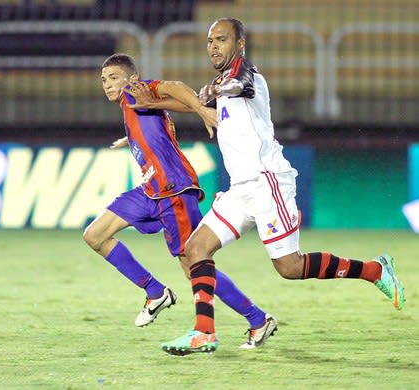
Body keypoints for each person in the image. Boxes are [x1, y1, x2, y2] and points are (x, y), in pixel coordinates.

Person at [149, 17, 407, 356]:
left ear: (239, 44)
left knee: (290, 267)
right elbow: (192, 103)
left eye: (221, 39)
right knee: (195, 249)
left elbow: (238, 86)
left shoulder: (247, 76)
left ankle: (374, 270)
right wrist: (150, 105)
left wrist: (215, 91)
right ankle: (204, 333)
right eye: (210, 40)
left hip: (268, 182)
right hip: (242, 188)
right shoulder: (220, 83)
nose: (213, 46)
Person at [83, 53, 278, 349]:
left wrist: (200, 108)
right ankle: (155, 291)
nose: (107, 84)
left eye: (113, 78)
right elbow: (158, 126)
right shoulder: (133, 105)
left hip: (173, 190)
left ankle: (257, 319)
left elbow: (174, 87)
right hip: (151, 190)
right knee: (95, 235)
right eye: (103, 80)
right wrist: (131, 138)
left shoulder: (139, 90)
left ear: (130, 79)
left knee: (195, 266)